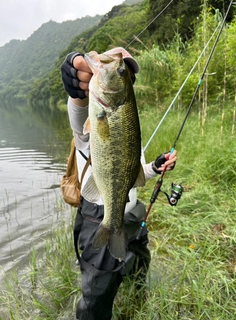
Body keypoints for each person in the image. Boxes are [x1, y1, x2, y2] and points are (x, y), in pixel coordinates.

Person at [60, 47, 177, 320]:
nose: (118, 68)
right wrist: (77, 94)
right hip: (98, 217)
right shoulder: (95, 115)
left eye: (124, 73)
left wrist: (152, 168)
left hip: (132, 215)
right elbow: (78, 113)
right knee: (97, 295)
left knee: (138, 267)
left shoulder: (127, 118)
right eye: (119, 68)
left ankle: (136, 303)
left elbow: (129, 173)